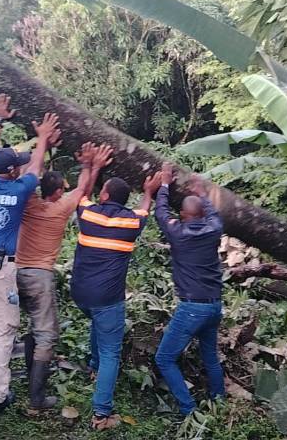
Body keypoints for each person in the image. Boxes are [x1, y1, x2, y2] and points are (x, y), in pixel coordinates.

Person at [0, 93, 60, 418]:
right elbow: (37, 166)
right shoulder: (19, 191)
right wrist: (44, 138)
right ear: (14, 172)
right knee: (4, 330)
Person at [15, 142, 114, 414]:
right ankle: (36, 401)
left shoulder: (28, 203)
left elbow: (29, 174)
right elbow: (83, 188)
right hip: (38, 276)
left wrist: (43, 143)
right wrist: (90, 165)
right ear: (59, 192)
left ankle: (28, 375)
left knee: (33, 326)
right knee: (47, 335)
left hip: (14, 273)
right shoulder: (61, 209)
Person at [70, 171, 163, 430]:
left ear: (106, 195)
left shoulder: (89, 214)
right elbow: (145, 209)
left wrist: (93, 166)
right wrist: (148, 192)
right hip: (107, 299)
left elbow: (82, 194)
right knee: (112, 351)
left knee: (97, 324)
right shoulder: (132, 223)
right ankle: (101, 414)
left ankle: (94, 367)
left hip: (79, 294)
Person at [153, 162, 225, 417]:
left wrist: (163, 184)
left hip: (192, 307)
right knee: (210, 358)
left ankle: (188, 408)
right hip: (215, 305)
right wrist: (202, 192)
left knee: (163, 359)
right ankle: (219, 402)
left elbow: (161, 212)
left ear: (183, 215)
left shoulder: (178, 232)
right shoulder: (214, 229)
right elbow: (215, 215)